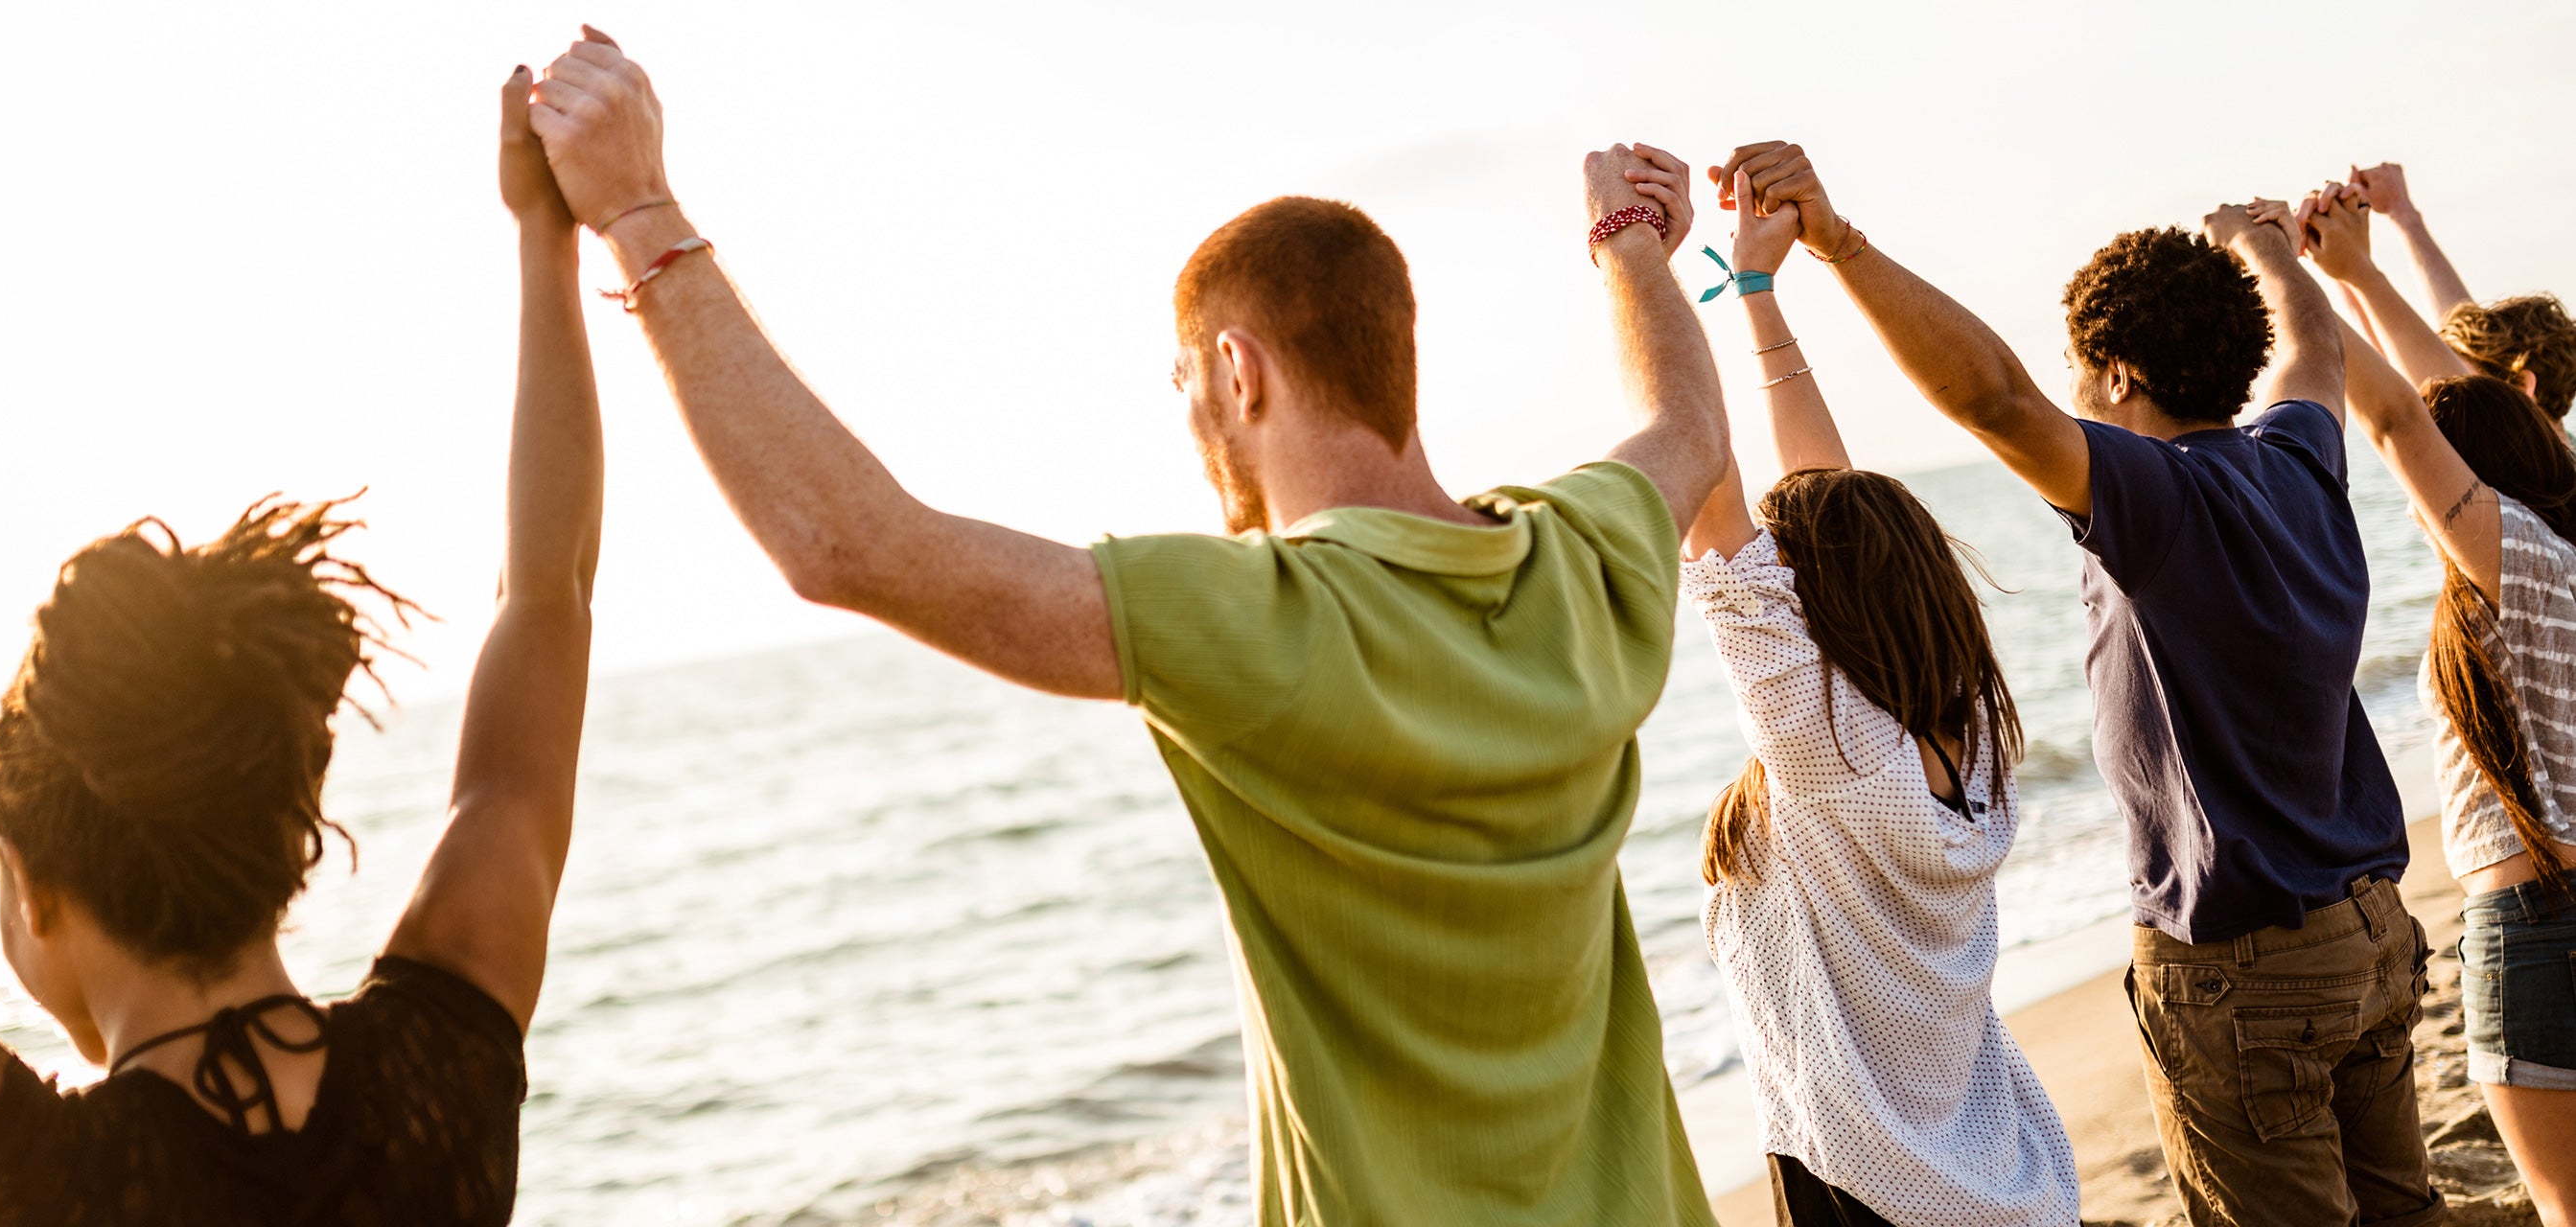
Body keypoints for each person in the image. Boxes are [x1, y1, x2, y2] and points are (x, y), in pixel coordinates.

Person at [523, 29, 1729, 1227]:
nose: (1191, 416)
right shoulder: (1580, 560)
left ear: (1237, 371)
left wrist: (639, 212)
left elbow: (847, 545)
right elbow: (1684, 426)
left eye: (1184, 386)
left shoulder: (1263, 621)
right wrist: (1629, 247)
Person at [1710, 142, 2439, 1226]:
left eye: (2075, 369)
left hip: (2246, 968)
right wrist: (2265, 249)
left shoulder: (2155, 504)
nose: (2064, 392)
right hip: (2371, 932)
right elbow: (2315, 351)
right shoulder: (2298, 462)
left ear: (2118, 378)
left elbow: (1993, 401)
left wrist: (1842, 247)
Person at [0, 66, 606, 1225]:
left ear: (36, 890)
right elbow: (544, 595)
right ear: (282, 826)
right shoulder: (445, 1052)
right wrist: (544, 234)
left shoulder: (38, 1173)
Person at [1655, 162, 2077, 1227]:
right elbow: (1825, 499)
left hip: (1873, 1184)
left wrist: (1646, 268)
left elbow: (1708, 486)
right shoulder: (1964, 731)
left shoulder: (1827, 751)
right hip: (1989, 1163)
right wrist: (1754, 289)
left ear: (1815, 603)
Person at [2304, 188, 2576, 1226]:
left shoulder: (2515, 566)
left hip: (2531, 924)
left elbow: (2399, 416)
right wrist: (2379, 256)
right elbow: (2454, 396)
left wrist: (2305, 281)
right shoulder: (2556, 544)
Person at [2318, 164, 2576, 421]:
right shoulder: (2549, 450)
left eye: (2451, 375)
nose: (2433, 385)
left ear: (2522, 385)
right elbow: (2447, 330)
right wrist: (2400, 213)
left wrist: (2351, 269)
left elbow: (2402, 416)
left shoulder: (2508, 454)